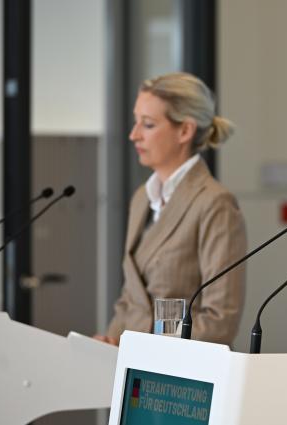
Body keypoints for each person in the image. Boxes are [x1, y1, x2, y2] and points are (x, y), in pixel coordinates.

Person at [95, 72, 247, 346]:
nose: (134, 135)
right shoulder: (142, 197)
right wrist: (110, 341)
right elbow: (131, 297)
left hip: (181, 375)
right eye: (135, 122)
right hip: (134, 365)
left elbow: (219, 321)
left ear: (185, 131)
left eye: (148, 124)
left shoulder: (214, 203)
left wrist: (143, 345)